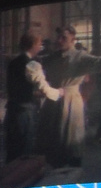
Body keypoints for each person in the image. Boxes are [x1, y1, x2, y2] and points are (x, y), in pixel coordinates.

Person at [37, 26, 101, 166]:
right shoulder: (52, 57)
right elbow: (39, 67)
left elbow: (98, 62)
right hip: (53, 100)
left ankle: (73, 166)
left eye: (64, 38)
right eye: (59, 37)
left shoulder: (80, 56)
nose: (60, 41)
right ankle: (53, 166)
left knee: (71, 137)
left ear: (73, 40)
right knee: (52, 136)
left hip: (70, 100)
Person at [4, 33, 60, 161]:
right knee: (25, 149)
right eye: (39, 44)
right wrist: (58, 93)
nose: (40, 47)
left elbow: (18, 87)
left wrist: (33, 93)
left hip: (12, 110)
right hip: (24, 112)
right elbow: (45, 89)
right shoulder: (31, 65)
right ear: (33, 45)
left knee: (12, 149)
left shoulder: (12, 63)